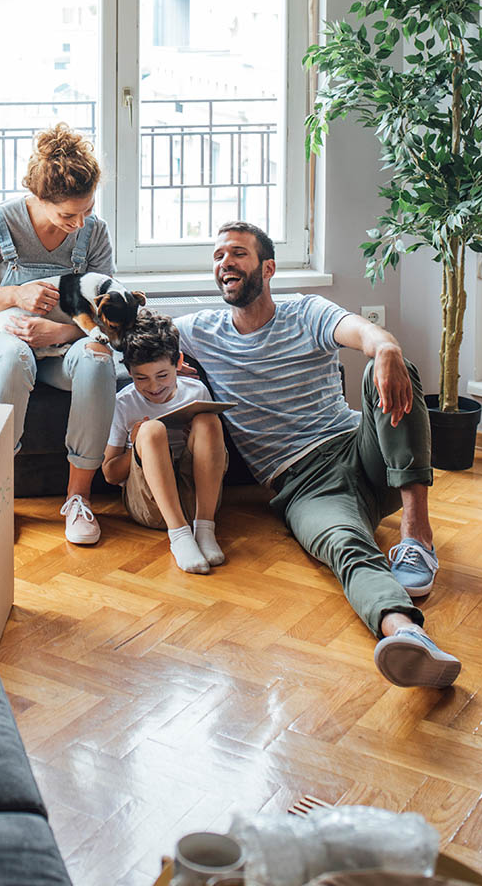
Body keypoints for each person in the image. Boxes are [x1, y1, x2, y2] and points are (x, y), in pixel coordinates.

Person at [175, 220, 461, 688]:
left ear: (267, 268)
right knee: (345, 549)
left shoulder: (307, 311)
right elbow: (131, 335)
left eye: (237, 254)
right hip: (304, 486)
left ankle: (417, 535)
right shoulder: (199, 331)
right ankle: (407, 636)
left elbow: (365, 333)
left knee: (388, 366)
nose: (225, 263)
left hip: (362, 450)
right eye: (218, 256)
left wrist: (386, 347)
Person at [0, 123, 115, 545]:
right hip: (0, 337)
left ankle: (78, 499)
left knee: (96, 362)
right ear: (38, 198)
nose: (80, 223)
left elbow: (108, 313)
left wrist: (61, 329)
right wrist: (14, 294)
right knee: (14, 358)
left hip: (63, 343)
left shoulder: (93, 232)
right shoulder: (0, 223)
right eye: (68, 214)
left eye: (87, 210)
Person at [101, 311, 229, 574]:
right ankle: (179, 535)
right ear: (129, 372)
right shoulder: (124, 403)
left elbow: (210, 446)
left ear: (178, 363)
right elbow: (110, 473)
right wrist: (134, 444)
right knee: (151, 431)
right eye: (141, 378)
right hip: (149, 505)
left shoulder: (196, 391)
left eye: (162, 375)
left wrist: (192, 438)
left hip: (197, 501)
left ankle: (205, 530)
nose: (153, 387)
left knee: (207, 420)